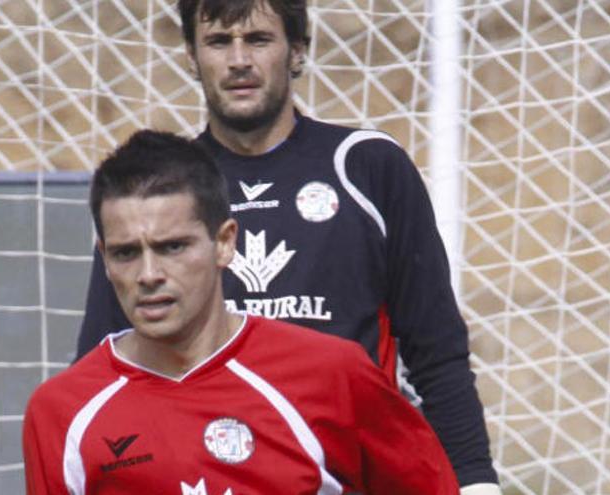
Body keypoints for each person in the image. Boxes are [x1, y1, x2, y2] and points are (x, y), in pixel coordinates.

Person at [76, 1, 500, 492]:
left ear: (297, 50)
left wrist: (474, 481)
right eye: (218, 42)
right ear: (192, 56)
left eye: (257, 39)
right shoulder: (158, 191)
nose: (238, 60)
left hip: (347, 471)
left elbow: (437, 349)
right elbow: (103, 360)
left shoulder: (365, 168)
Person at [23, 130, 460, 494]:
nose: (149, 274)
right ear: (103, 258)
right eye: (125, 253)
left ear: (225, 242)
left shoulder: (333, 375)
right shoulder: (63, 412)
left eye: (173, 246)